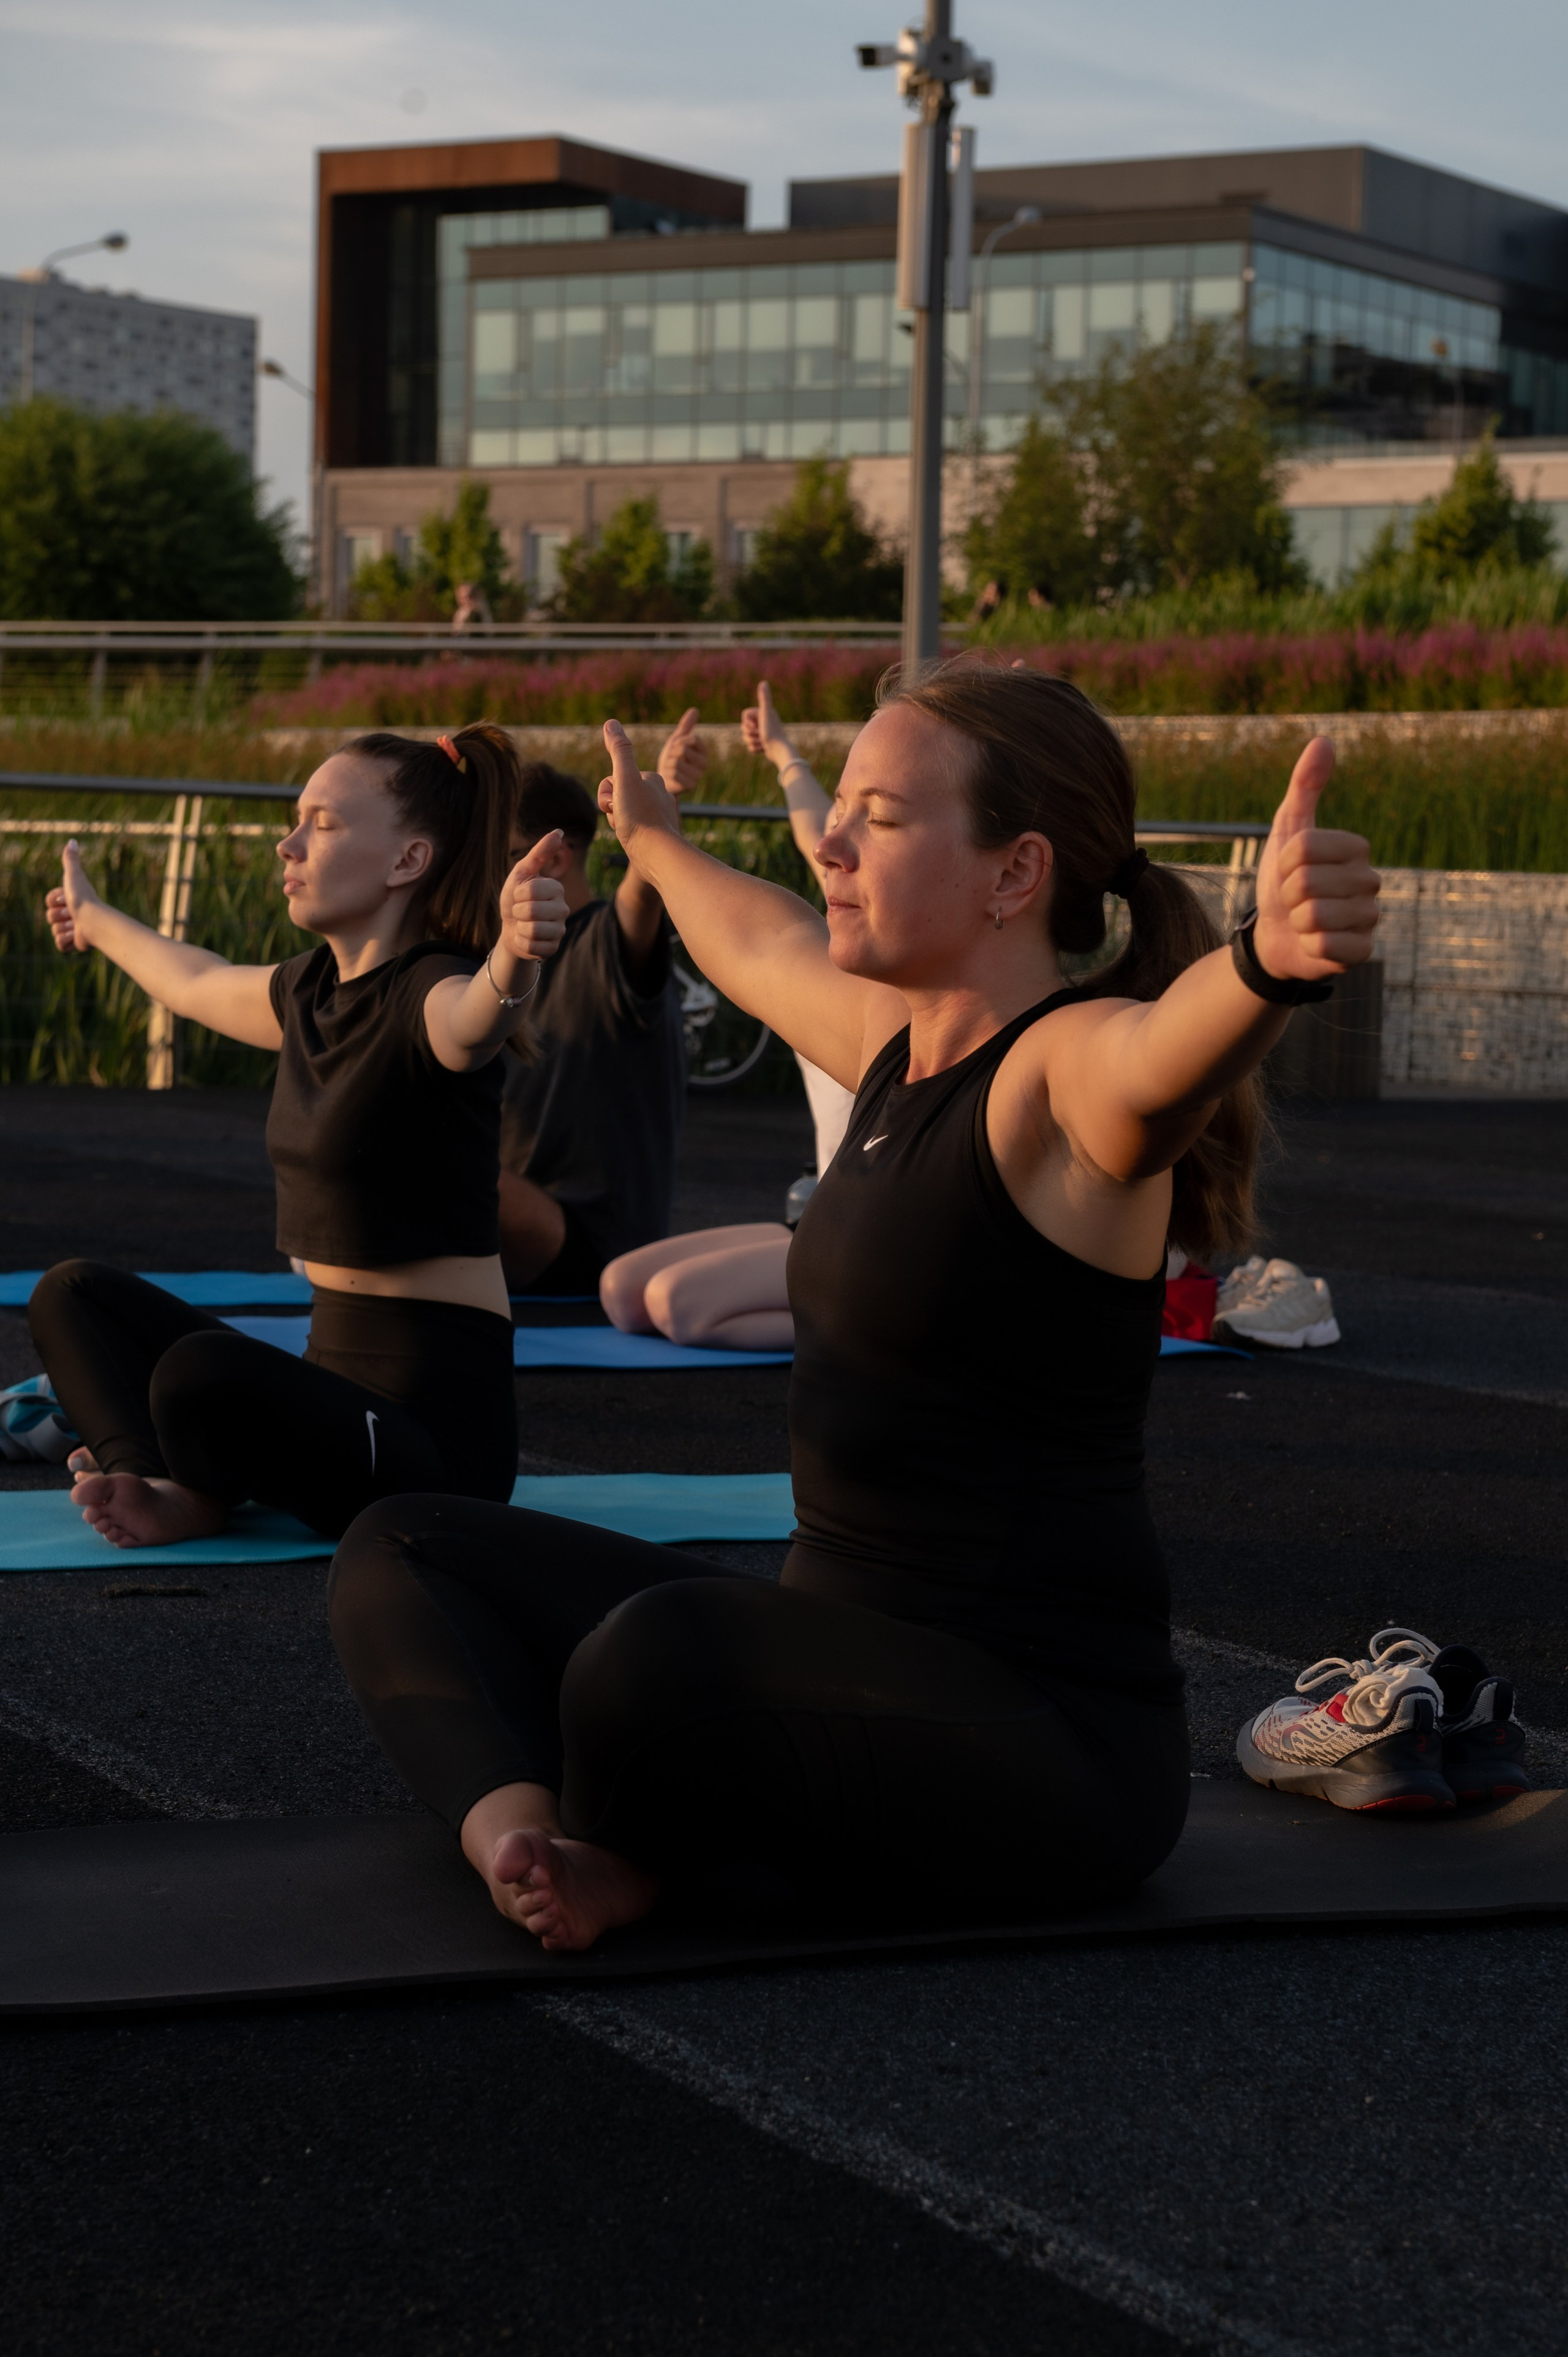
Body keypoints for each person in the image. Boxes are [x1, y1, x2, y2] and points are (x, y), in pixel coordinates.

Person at [329, 660, 1381, 1952]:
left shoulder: (1056, 1075)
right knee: (403, 1550)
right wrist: (651, 840)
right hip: (835, 1661)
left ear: (1014, 874)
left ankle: (630, 1853)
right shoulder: (888, 1046)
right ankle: (523, 1838)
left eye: (877, 817)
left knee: (656, 1652)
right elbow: (751, 929)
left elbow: (1156, 1060)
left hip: (1045, 1747)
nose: (828, 838)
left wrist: (1264, 966)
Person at [30, 723, 568, 1550]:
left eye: (322, 823)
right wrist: (96, 919)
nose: (288, 844)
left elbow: (474, 1023)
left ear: (407, 862)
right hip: (328, 1389)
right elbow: (195, 978)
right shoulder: (310, 991)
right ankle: (149, 1474)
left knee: (199, 1376)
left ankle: (196, 1491)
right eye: (296, 819)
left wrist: (516, 958)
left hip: (432, 1444)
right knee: (72, 1295)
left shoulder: (435, 988)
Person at [597, 681, 839, 1350]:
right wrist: (784, 753)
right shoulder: (846, 931)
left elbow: (739, 927)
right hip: (823, 1213)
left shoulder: (865, 972)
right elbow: (814, 828)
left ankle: (889, 1327)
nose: (835, 845)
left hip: (876, 1240)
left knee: (682, 1306)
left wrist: (653, 831)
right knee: (621, 1286)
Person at [495, 709, 705, 1293]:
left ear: (553, 859)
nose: (480, 873)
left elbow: (642, 896)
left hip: (596, 1246)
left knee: (420, 1151)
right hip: (519, 1227)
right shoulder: (498, 962)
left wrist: (655, 824)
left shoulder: (606, 943)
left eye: (495, 854)